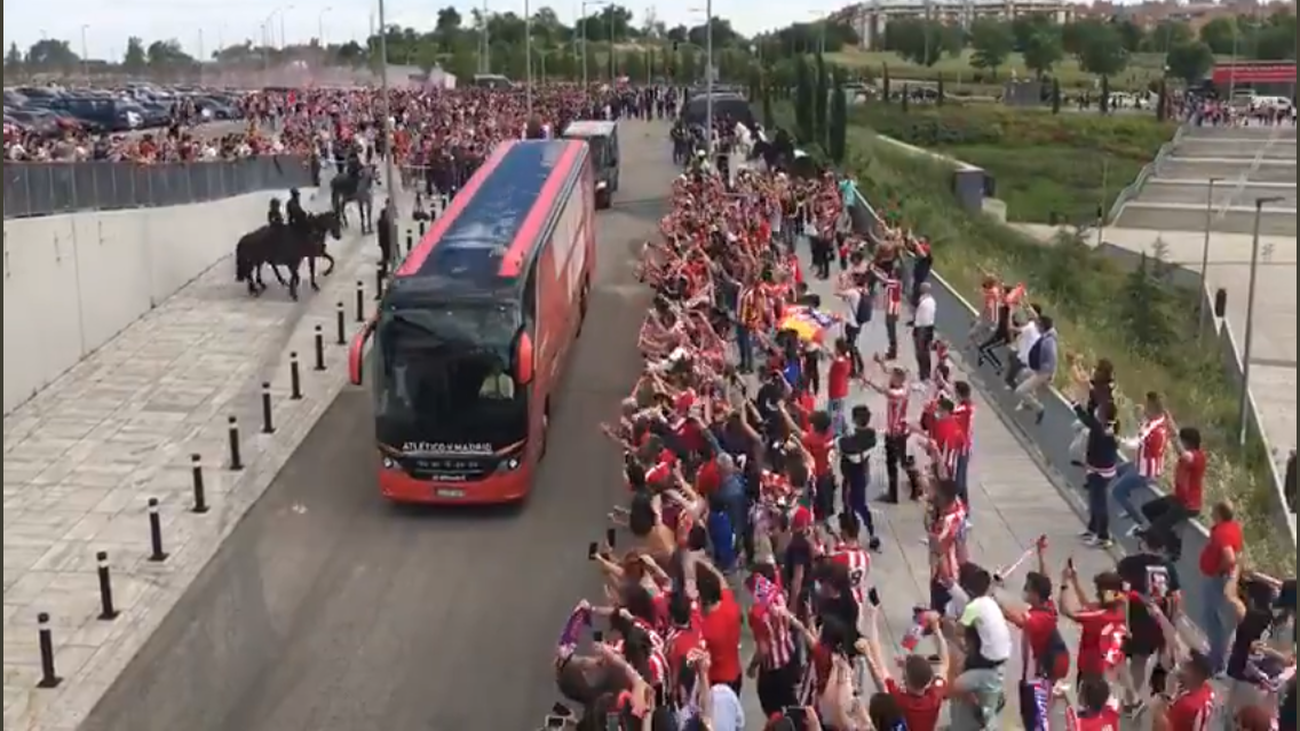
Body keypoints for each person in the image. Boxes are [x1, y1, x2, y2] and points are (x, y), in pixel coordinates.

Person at [1069, 376, 1120, 549]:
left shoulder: (1100, 428)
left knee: (1099, 503)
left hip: (1099, 471)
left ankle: (1103, 536)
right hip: (1101, 468)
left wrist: (1075, 404)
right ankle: (1092, 529)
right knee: (1094, 500)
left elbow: (1086, 419)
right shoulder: (1111, 426)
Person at [1199, 500, 1244, 675]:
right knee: (1213, 617)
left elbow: (1230, 557)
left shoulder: (1222, 533)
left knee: (1212, 619)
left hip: (1218, 579)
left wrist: (1218, 571)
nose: (1211, 513)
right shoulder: (1232, 528)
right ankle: (1216, 656)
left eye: (1214, 511)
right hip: (1224, 577)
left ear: (1219, 513)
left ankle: (1216, 661)